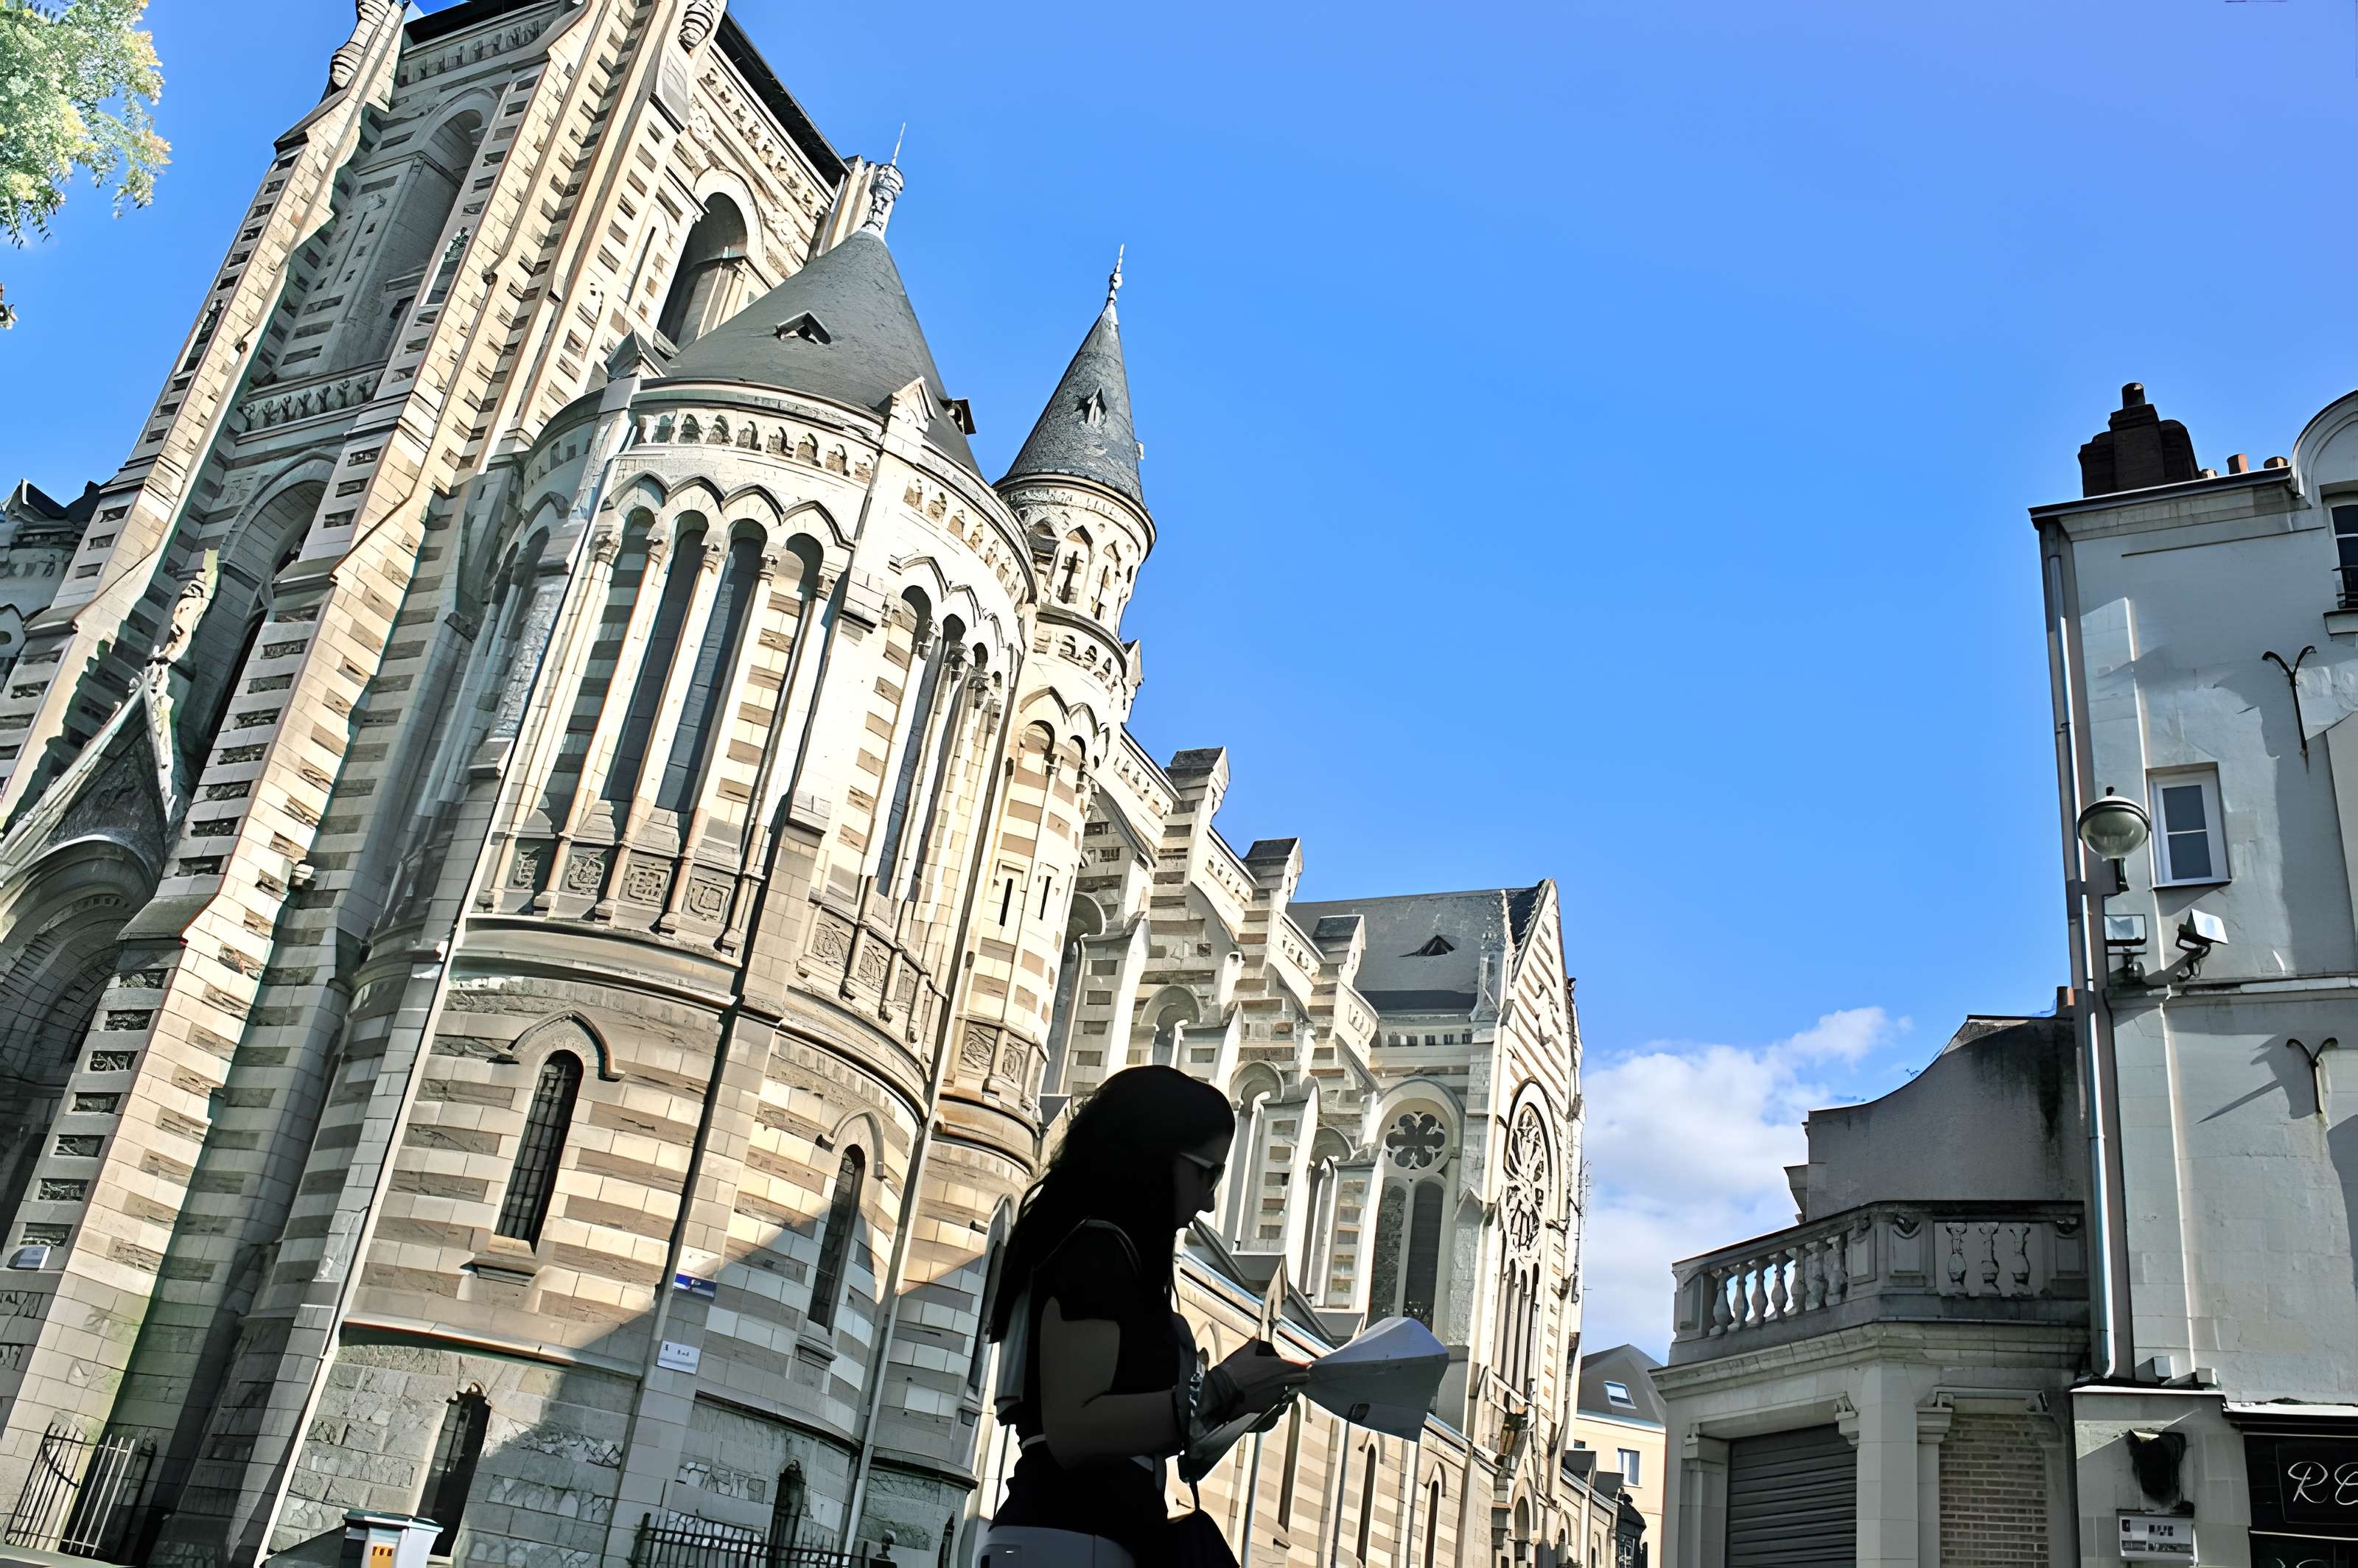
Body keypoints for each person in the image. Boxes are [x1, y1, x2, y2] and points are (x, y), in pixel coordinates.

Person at [984, 1065, 1307, 1568]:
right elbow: (1077, 1429)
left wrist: (1238, 1401)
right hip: (1075, 1541)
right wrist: (1220, 1390)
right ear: (1156, 1153)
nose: (1210, 1199)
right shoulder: (1097, 1250)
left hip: (1077, 1537)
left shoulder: (1092, 1246)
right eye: (1208, 1171)